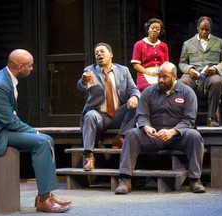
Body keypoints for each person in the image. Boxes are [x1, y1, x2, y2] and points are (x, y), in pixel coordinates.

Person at [0, 49, 71, 213]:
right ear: (20, 67)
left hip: (0, 129)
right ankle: (43, 200)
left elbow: (9, 119)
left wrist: (33, 132)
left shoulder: (7, 78)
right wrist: (34, 132)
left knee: (48, 139)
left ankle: (45, 195)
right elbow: (9, 120)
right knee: (42, 141)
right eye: (30, 66)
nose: (31, 69)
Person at [115, 62, 206, 194]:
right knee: (131, 134)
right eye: (159, 77)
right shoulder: (149, 92)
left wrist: (173, 131)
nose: (161, 80)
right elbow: (142, 115)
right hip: (153, 136)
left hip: (177, 137)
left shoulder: (187, 92)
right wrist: (146, 128)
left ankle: (195, 180)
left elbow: (189, 119)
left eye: (165, 77)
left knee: (195, 136)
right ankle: (125, 180)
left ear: (175, 76)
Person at [77, 42, 140, 171]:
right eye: (96, 53)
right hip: (99, 115)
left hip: (118, 115)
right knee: (89, 115)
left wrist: (134, 97)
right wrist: (83, 81)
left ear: (111, 54)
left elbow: (134, 89)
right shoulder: (90, 70)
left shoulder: (123, 70)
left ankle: (120, 137)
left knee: (136, 105)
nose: (99, 54)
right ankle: (88, 156)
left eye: (102, 52)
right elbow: (82, 86)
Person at [179, 16, 222, 127]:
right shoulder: (188, 43)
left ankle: (211, 118)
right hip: (194, 76)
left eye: (207, 30)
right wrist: (189, 69)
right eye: (202, 29)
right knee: (182, 83)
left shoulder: (219, 42)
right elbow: (182, 63)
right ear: (197, 28)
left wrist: (217, 68)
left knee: (217, 82)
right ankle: (188, 118)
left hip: (210, 75)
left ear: (210, 29)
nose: (204, 32)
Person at [131, 18, 169, 92]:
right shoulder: (139, 44)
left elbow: (166, 63)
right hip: (144, 73)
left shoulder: (163, 46)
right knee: (148, 90)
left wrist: (162, 72)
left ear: (160, 31)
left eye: (157, 29)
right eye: (152, 28)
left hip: (160, 73)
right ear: (148, 29)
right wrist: (148, 72)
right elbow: (135, 65)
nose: (155, 30)